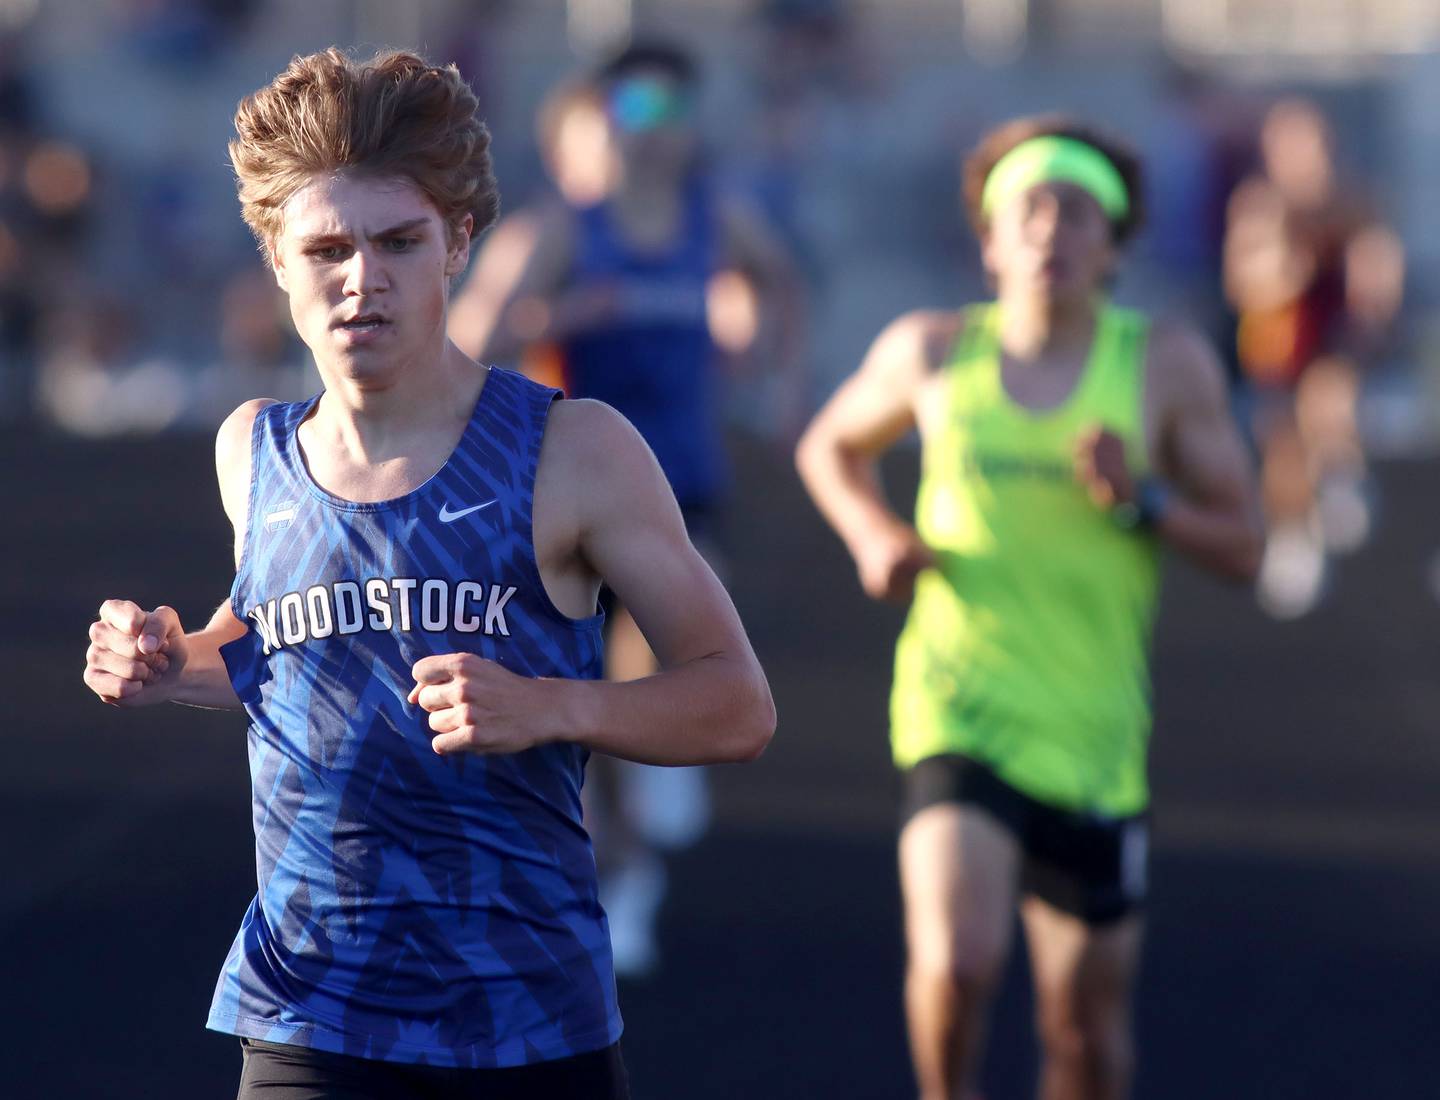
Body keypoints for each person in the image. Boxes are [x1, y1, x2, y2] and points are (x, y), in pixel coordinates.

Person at [82, 47, 774, 1100]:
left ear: (457, 241)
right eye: (327, 249)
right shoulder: (252, 449)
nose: (363, 279)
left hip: (527, 1017)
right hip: (308, 1005)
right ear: (275, 258)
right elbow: (281, 648)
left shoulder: (573, 449)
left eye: (398, 242)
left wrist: (548, 703)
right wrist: (170, 661)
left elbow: (738, 705)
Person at [795, 116, 1262, 1100]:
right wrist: (875, 534)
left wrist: (1145, 499)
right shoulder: (930, 353)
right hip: (958, 704)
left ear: (1116, 244)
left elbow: (1246, 544)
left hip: (1094, 735)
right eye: (1031, 209)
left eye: (1079, 211)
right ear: (993, 241)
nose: (1053, 229)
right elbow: (829, 448)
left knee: (1084, 1036)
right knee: (960, 960)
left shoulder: (1164, 366)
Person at [450, 39, 803, 977]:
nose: (652, 133)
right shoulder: (567, 231)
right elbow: (470, 342)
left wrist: (774, 366)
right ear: (599, 123)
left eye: (670, 111)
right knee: (595, 716)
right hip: (573, 497)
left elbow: (780, 283)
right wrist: (559, 324)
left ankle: (663, 763)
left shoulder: (714, 221)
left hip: (685, 480)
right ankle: (625, 879)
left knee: (686, 617)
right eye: (632, 112)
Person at [1223, 97, 1404, 618]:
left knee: (1331, 395)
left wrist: (1372, 298)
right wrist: (1283, 268)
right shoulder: (1260, 205)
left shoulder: (1354, 202)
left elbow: (1376, 267)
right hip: (1277, 347)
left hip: (1332, 342)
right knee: (1282, 440)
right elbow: (1244, 282)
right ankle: (1292, 532)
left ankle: (1340, 474)